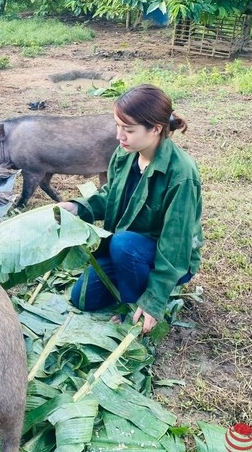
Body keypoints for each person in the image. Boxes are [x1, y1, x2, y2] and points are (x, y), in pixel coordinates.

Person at [58, 84, 203, 334]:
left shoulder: (181, 174)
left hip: (162, 256)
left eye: (128, 130)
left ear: (156, 129)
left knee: (123, 244)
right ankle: (129, 281)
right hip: (124, 249)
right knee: (82, 298)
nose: (119, 136)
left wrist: (154, 301)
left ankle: (135, 304)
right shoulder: (125, 154)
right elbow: (110, 195)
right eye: (118, 126)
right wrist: (77, 207)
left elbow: (175, 243)